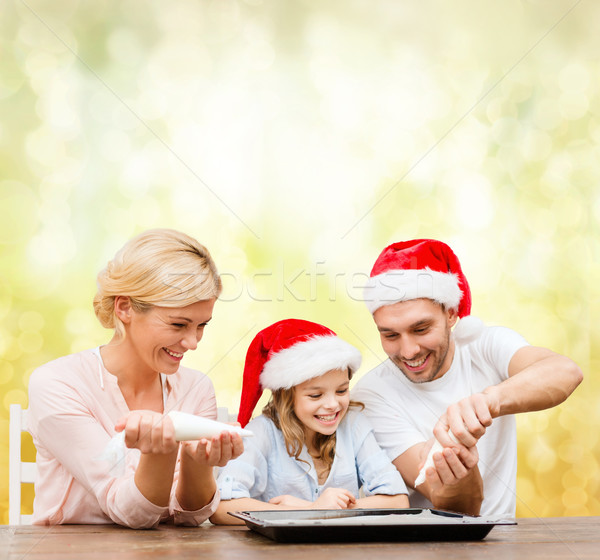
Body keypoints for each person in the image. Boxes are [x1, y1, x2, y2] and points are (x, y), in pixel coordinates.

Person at [27, 228, 244, 528]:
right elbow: (129, 512)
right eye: (179, 324)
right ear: (125, 307)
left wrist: (198, 464)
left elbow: (189, 517)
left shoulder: (197, 388)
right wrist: (161, 452)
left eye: (201, 325)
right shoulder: (57, 384)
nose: (193, 342)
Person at [352, 239, 583, 517]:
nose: (408, 350)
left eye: (421, 329)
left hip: (503, 543)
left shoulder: (486, 346)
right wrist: (460, 467)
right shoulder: (371, 396)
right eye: (390, 335)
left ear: (451, 314)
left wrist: (489, 401)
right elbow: (452, 506)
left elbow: (565, 372)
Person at [210, 319, 409, 525]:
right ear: (286, 396)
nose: (333, 404)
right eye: (315, 395)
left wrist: (321, 510)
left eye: (341, 390)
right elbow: (223, 508)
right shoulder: (262, 432)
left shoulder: (354, 424)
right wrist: (313, 509)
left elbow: (398, 501)